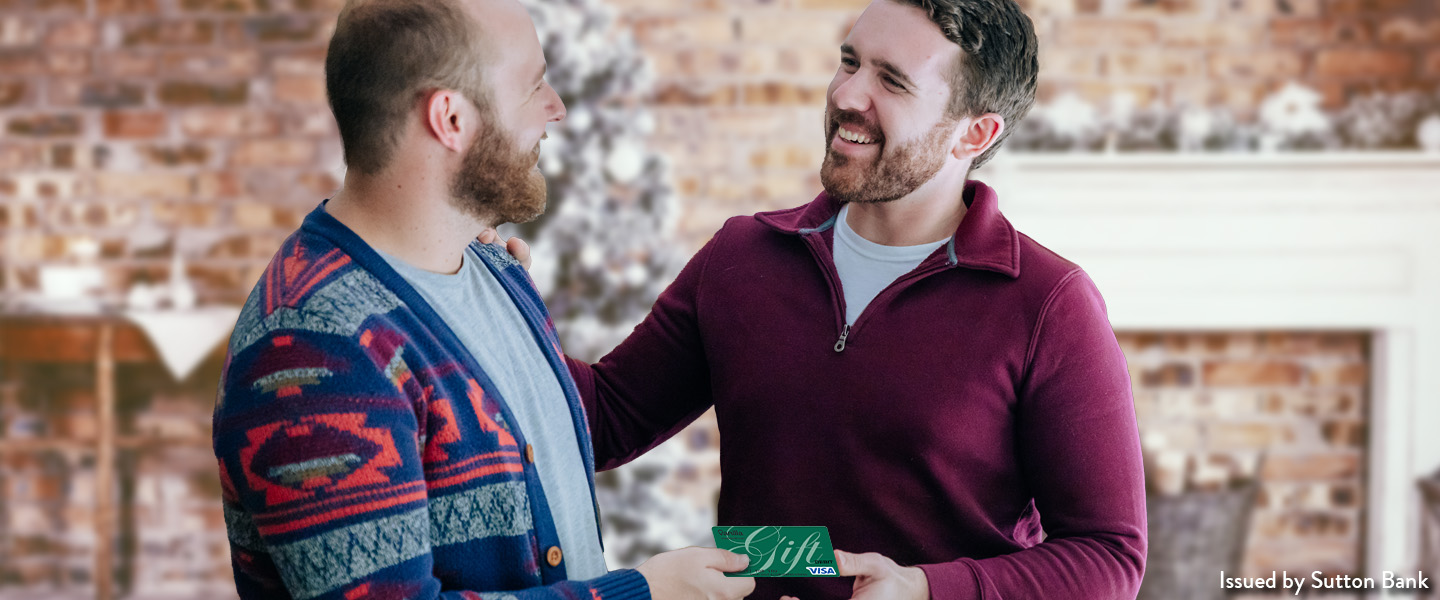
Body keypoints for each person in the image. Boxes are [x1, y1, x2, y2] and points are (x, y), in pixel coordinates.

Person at [494, 0, 1148, 598]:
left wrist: (921, 589)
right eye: (849, 62)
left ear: (972, 135)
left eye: (891, 81)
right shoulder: (744, 256)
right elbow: (603, 419)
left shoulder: (1047, 304)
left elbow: (1109, 555)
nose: (847, 94)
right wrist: (486, 297)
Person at [211, 0, 756, 598]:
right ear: (450, 118)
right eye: (534, 86)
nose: (557, 109)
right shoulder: (314, 348)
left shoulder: (487, 263)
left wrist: (742, 279)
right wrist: (643, 592)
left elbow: (565, 431)